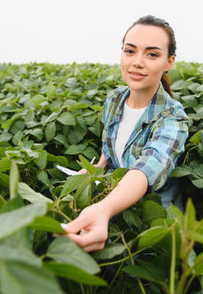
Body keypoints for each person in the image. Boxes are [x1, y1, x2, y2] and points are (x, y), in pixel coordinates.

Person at [62, 15, 190, 252]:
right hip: (116, 204)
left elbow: (148, 167)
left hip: (156, 220)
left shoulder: (173, 117)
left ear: (169, 62)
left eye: (152, 54)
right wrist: (98, 168)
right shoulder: (115, 99)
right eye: (130, 51)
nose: (137, 62)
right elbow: (109, 146)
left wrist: (104, 208)